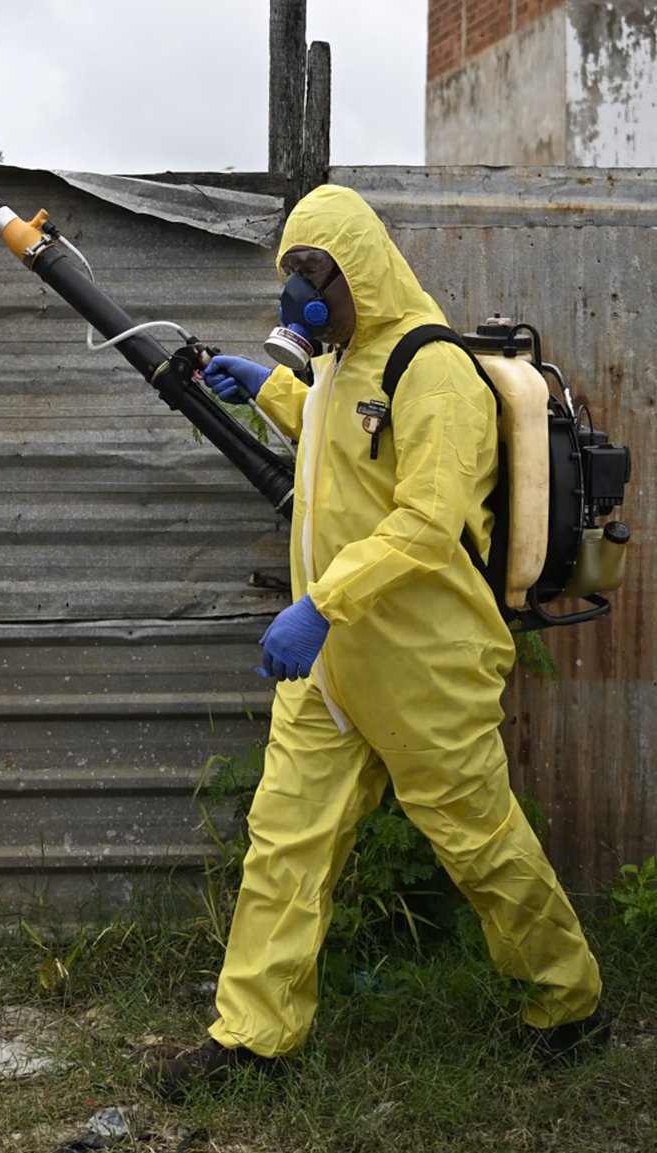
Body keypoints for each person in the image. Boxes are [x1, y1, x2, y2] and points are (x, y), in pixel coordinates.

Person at [145, 184, 606, 1096]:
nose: (303, 298)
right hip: (336, 666)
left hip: (423, 661)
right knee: (286, 839)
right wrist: (272, 387)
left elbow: (428, 519)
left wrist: (320, 601)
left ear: (361, 268)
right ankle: (253, 1038)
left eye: (316, 275)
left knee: (477, 841)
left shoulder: (432, 370)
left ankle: (569, 1002)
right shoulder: (339, 363)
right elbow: (344, 458)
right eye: (293, 276)